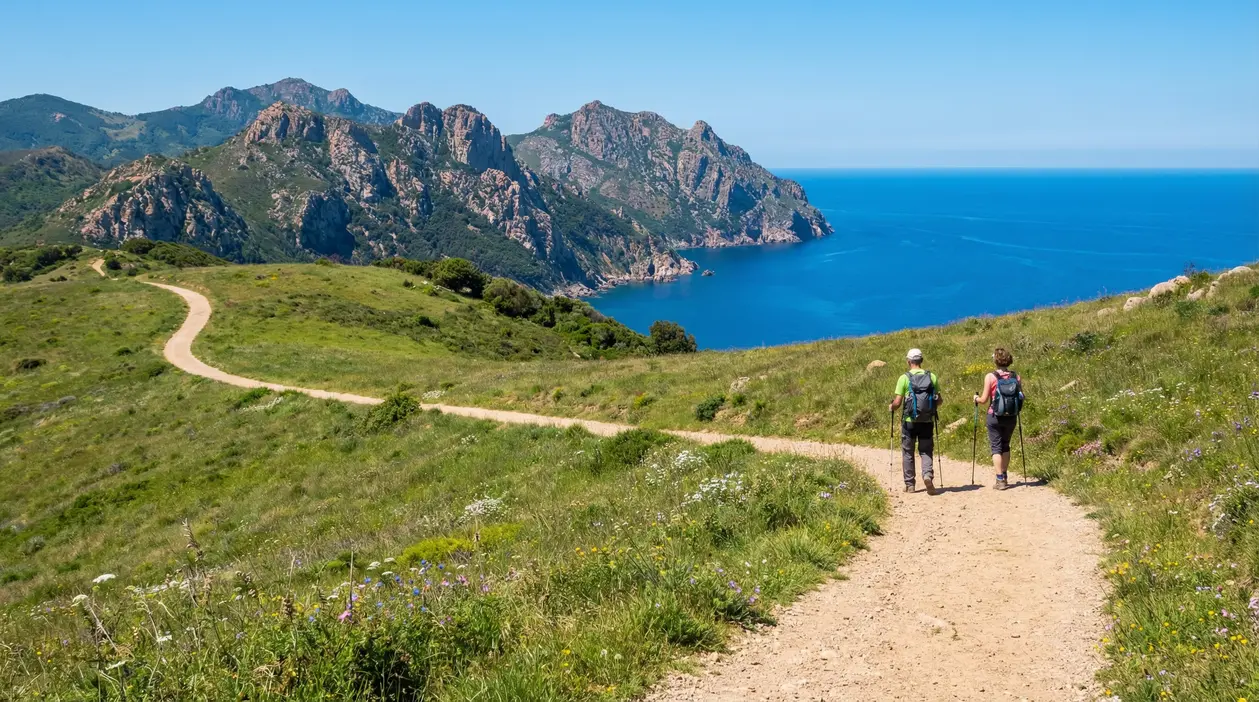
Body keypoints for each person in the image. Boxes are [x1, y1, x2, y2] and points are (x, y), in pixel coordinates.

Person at [889, 348, 941, 495]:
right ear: (921, 361)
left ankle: (910, 485)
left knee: (908, 452)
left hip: (909, 421)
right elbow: (939, 401)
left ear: (908, 361)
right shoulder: (932, 377)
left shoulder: (904, 378)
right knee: (926, 450)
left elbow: (898, 402)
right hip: (927, 420)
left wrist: (891, 406)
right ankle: (927, 476)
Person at [973, 347, 1024, 490]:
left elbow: (983, 399)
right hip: (1011, 416)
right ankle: (1005, 475)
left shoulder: (990, 377)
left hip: (994, 415)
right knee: (1006, 445)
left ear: (995, 360)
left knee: (996, 447)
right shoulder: (1016, 377)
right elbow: (1021, 397)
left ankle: (1000, 479)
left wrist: (975, 398)